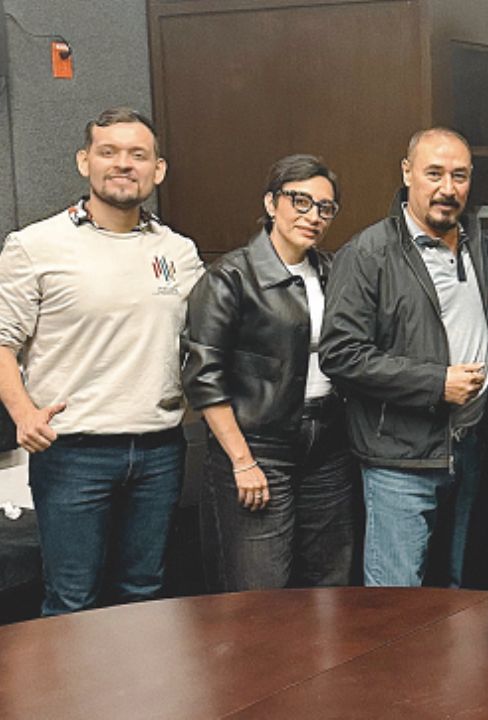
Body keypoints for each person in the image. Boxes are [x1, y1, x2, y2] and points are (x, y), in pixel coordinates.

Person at [0, 107, 203, 615]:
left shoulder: (179, 252)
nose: (123, 164)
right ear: (84, 161)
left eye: (138, 154)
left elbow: (208, 341)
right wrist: (23, 413)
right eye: (108, 152)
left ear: (158, 169)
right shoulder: (34, 246)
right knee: (73, 600)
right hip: (73, 453)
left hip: (159, 449)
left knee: (145, 595)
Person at [319, 128, 488, 588]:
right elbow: (340, 354)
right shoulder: (368, 253)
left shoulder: (480, 244)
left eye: (459, 176)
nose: (447, 188)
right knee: (395, 600)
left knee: (457, 597)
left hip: (468, 449)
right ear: (407, 173)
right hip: (400, 459)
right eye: (434, 173)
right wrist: (436, 382)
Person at [183, 154, 356, 591]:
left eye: (325, 208)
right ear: (270, 202)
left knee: (329, 584)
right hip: (259, 448)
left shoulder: (332, 271)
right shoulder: (230, 277)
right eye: (300, 201)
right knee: (260, 590)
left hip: (327, 448)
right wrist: (243, 462)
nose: (313, 216)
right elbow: (204, 378)